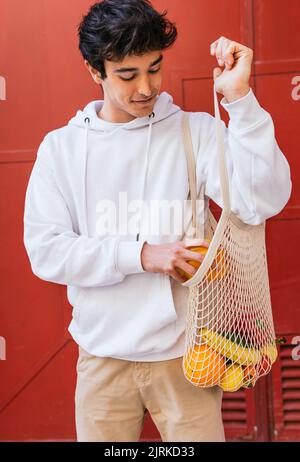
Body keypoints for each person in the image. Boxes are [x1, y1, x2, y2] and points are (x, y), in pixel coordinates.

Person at [23, 0, 292, 442]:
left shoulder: (194, 130)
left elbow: (263, 200)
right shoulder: (61, 149)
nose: (146, 87)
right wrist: (142, 255)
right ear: (95, 71)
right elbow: (46, 251)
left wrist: (240, 101)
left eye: (154, 68)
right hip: (102, 357)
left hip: (189, 356)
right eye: (128, 76)